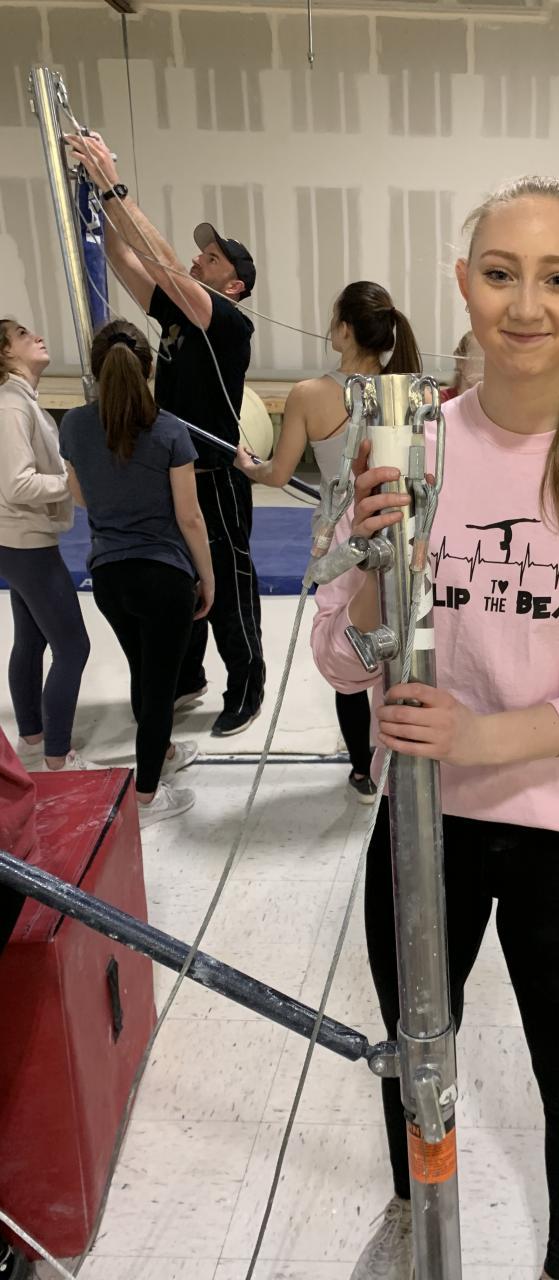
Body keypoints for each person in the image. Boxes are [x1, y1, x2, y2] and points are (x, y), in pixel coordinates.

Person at [312, 177, 559, 1280]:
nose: (526, 304)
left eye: (557, 278)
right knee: (411, 1059)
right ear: (464, 284)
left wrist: (486, 736)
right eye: (500, 274)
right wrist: (370, 567)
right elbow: (340, 660)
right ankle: (417, 1223)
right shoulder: (406, 449)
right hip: (420, 828)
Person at [67, 131, 265, 738]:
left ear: (234, 285)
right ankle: (186, 677)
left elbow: (164, 265)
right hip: (173, 471)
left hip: (214, 475)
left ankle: (247, 686)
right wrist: (95, 203)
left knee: (227, 587)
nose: (200, 259)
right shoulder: (179, 313)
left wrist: (112, 183)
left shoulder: (226, 321)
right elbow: (127, 262)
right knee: (182, 580)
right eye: (201, 254)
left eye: (214, 258)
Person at [236, 281, 422, 803]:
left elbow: (278, 474)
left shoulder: (310, 394)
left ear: (344, 330)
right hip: (404, 528)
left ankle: (364, 771)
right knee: (403, 643)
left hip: (346, 537)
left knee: (349, 656)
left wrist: (248, 465)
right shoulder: (408, 388)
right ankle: (401, 758)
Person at [59, 321, 215, 827]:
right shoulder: (168, 430)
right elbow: (190, 516)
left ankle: (162, 750)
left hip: (109, 577)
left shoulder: (74, 426)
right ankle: (146, 796)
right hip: (162, 577)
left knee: (142, 669)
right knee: (159, 686)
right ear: (149, 368)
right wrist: (207, 576)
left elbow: (80, 496)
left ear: (96, 369)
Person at [0, 319, 91, 772]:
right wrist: (73, 484)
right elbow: (17, 484)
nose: (36, 335)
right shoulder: (11, 406)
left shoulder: (20, 400)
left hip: (17, 540)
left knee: (31, 637)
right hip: (24, 542)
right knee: (73, 647)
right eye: (21, 334)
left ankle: (33, 737)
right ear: (4, 354)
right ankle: (57, 756)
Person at [439, 328, 484, 403]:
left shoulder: (493, 403)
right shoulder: (440, 400)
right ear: (460, 362)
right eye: (478, 359)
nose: (484, 367)